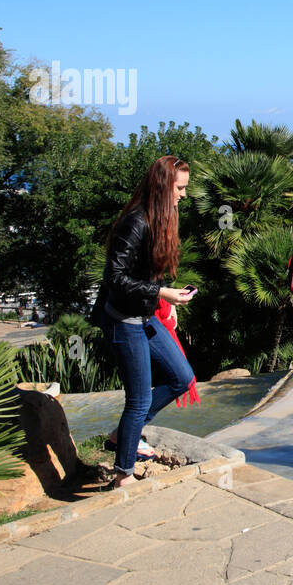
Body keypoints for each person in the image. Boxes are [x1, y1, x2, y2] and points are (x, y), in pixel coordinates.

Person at [95, 156, 198, 487]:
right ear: (163, 187)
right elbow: (115, 277)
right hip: (123, 322)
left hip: (145, 315)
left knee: (182, 378)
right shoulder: (135, 222)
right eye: (180, 188)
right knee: (138, 399)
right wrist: (162, 292)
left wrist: (166, 299)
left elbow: (147, 275)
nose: (184, 194)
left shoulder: (161, 219)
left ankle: (124, 433)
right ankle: (123, 472)